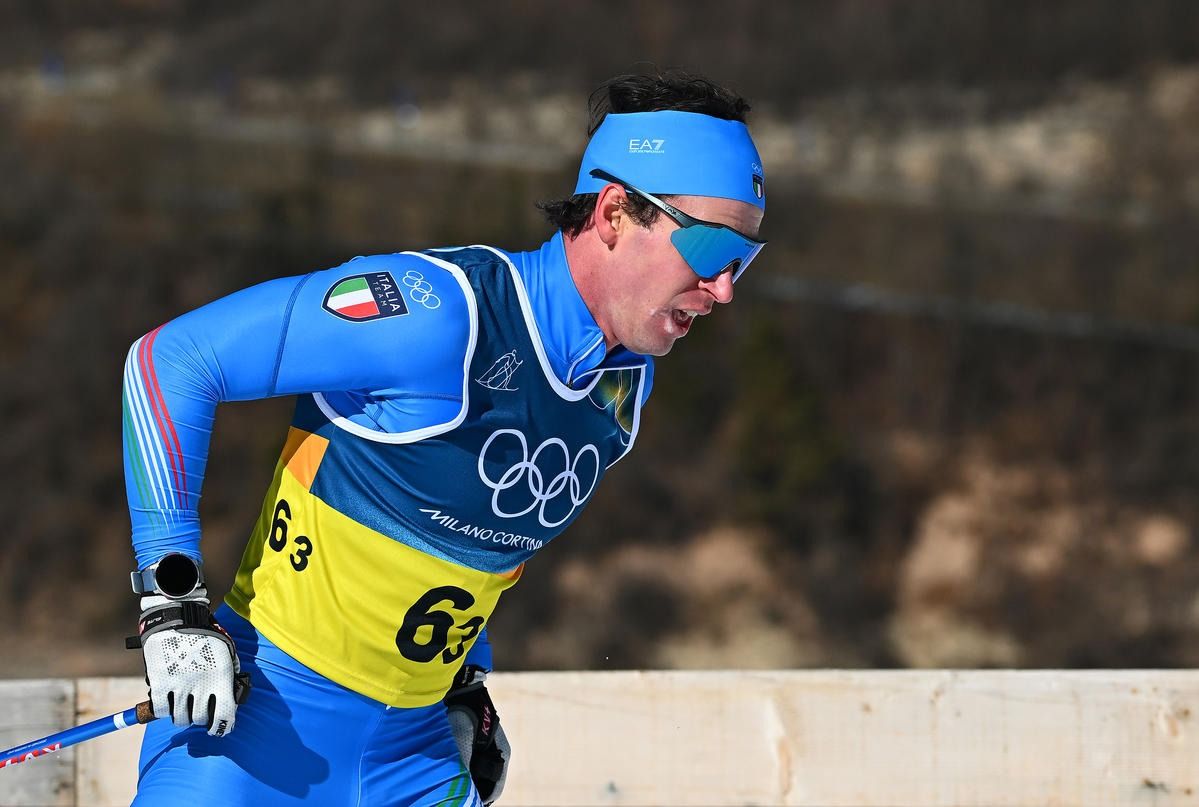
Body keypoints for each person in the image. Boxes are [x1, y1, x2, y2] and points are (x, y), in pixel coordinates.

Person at [122, 69, 766, 806]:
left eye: (744, 259)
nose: (724, 289)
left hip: (413, 760)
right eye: (711, 249)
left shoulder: (620, 389)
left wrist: (465, 683)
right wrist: (172, 603)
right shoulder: (440, 314)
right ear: (615, 212)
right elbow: (170, 362)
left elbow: (475, 546)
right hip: (254, 735)